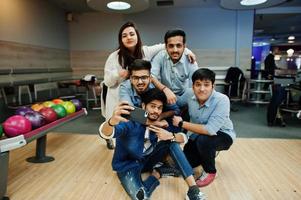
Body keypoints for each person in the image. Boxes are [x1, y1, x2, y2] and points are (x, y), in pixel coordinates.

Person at [99, 88, 206, 200]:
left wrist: (170, 136)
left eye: (159, 108)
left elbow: (184, 137)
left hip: (147, 160)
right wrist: (111, 122)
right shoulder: (130, 122)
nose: (156, 111)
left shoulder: (160, 123)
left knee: (172, 142)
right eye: (153, 106)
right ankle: (158, 173)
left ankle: (194, 190)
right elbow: (106, 133)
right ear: (144, 106)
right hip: (128, 164)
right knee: (142, 197)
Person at [103, 22, 195, 149]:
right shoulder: (114, 58)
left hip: (143, 98)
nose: (129, 37)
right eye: (124, 35)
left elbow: (168, 45)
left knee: (147, 120)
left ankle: (157, 147)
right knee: (122, 121)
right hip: (121, 93)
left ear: (137, 36)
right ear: (120, 39)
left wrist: (187, 52)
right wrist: (118, 74)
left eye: (132, 34)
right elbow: (107, 82)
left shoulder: (146, 51)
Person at [172, 68, 236, 187]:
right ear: (193, 86)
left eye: (206, 85)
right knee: (187, 162)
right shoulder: (189, 94)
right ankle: (206, 154)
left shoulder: (222, 100)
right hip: (196, 135)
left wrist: (182, 124)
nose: (202, 89)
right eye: (198, 85)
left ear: (213, 86)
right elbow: (175, 103)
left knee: (204, 141)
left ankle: (211, 171)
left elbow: (210, 130)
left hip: (221, 135)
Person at [151, 29, 199, 104]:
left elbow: (197, 81)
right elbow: (152, 76)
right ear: (166, 47)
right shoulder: (160, 56)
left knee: (192, 92)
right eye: (171, 46)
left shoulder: (190, 60)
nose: (175, 50)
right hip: (164, 95)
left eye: (179, 45)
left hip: (183, 96)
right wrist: (165, 89)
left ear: (184, 46)